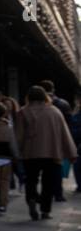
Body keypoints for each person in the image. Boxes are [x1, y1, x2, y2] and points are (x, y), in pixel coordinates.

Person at [17, 85, 76, 221]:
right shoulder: (54, 111)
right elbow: (64, 133)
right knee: (48, 183)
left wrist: (16, 152)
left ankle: (31, 198)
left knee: (31, 179)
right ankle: (45, 210)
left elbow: (19, 135)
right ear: (45, 96)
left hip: (30, 153)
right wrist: (71, 152)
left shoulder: (23, 112)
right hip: (51, 152)